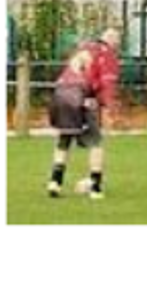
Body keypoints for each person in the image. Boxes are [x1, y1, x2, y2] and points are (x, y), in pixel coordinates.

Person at [47, 27, 121, 200]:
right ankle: (95, 186)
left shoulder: (84, 48)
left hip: (60, 93)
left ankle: (55, 182)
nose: (118, 45)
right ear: (112, 41)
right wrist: (109, 107)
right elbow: (107, 83)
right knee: (95, 142)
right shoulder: (107, 54)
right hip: (82, 96)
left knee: (64, 140)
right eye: (117, 41)